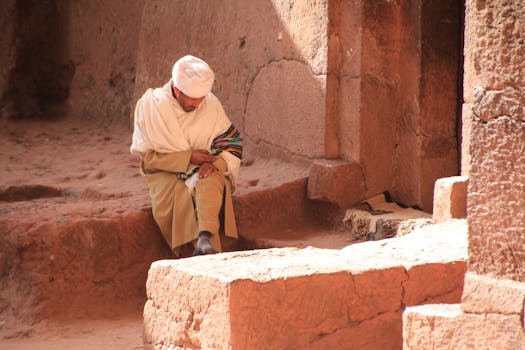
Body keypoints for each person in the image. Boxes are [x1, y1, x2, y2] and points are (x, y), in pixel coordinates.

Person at [130, 55, 242, 257]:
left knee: (210, 180)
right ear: (176, 89)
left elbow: (230, 141)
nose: (198, 104)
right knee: (184, 199)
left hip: (204, 168)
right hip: (165, 173)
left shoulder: (210, 103)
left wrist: (216, 163)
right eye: (193, 99)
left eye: (202, 98)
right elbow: (149, 159)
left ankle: (205, 240)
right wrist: (188, 158)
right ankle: (201, 256)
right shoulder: (151, 107)